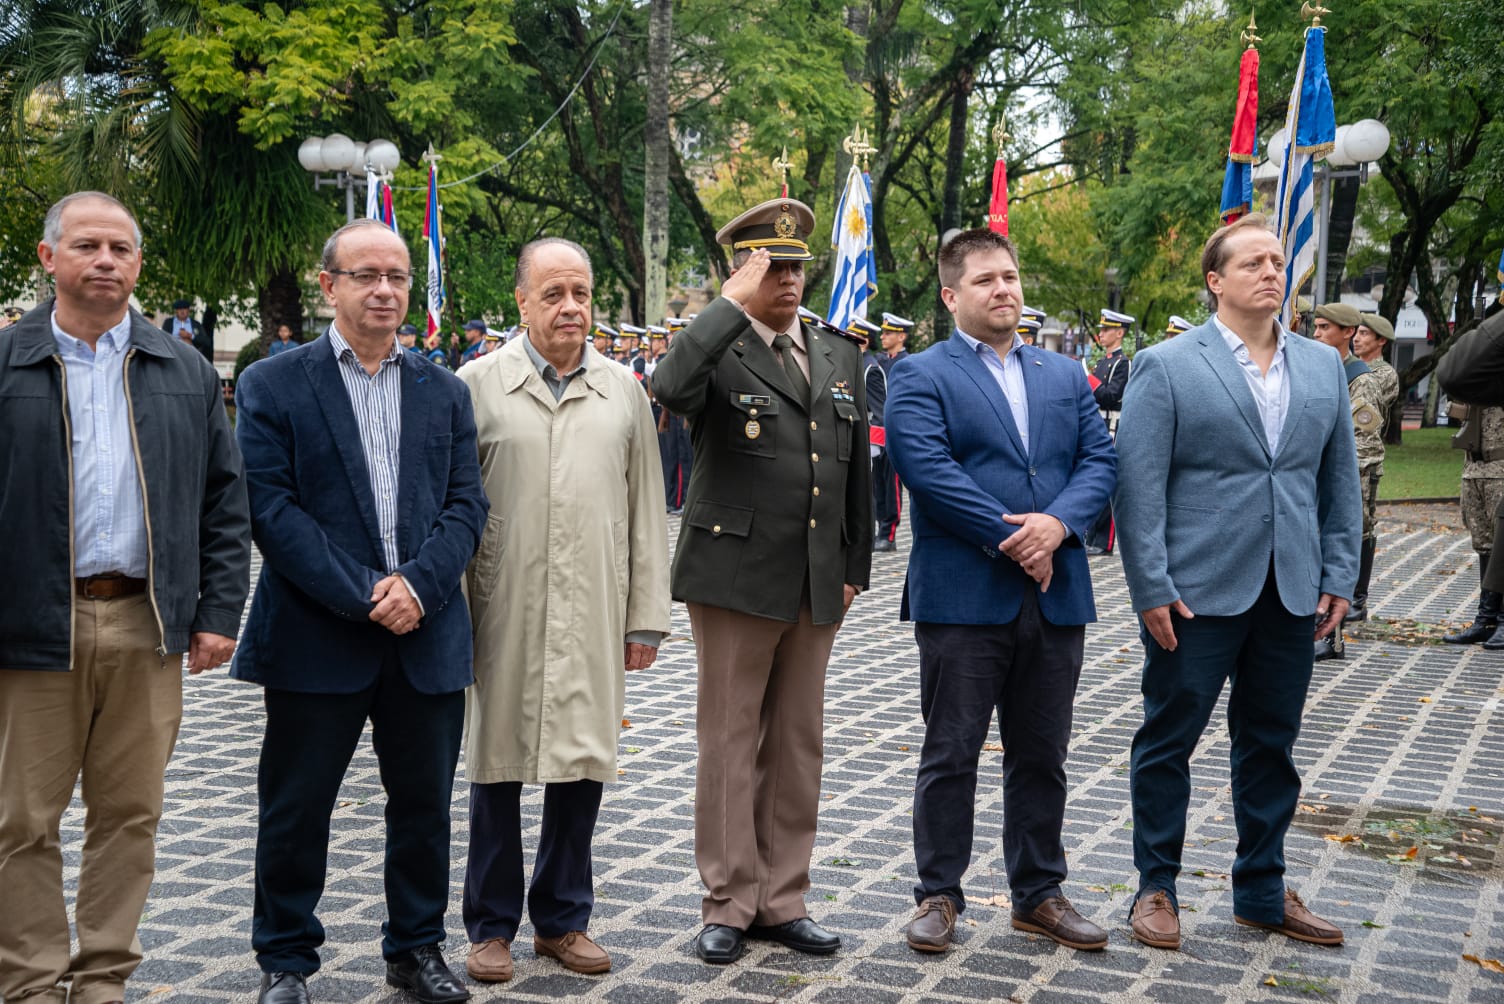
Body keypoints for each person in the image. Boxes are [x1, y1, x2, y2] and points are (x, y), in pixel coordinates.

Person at [0, 191, 251, 1004]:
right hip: (32, 626)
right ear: (49, 258)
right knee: (21, 821)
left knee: (130, 813)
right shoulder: (7, 362)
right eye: (87, 246)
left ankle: (104, 976)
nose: (105, 260)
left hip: (147, 624)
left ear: (139, 263)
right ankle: (30, 982)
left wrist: (216, 614)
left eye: (121, 248)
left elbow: (225, 501)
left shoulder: (183, 369)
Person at [232, 219, 488, 1003]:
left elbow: (466, 506)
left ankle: (416, 948)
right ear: (329, 285)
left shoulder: (445, 390)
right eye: (366, 275)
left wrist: (418, 587)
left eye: (397, 276)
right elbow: (271, 510)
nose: (384, 290)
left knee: (424, 809)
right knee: (296, 807)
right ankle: (285, 960)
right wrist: (367, 595)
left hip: (426, 634)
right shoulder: (273, 383)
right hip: (316, 636)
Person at [1114, 214, 1360, 953]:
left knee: (1271, 744)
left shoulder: (1321, 366)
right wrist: (1151, 586)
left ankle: (1260, 889)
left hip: (1291, 588)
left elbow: (1338, 481)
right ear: (1215, 281)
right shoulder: (1167, 364)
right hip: (1195, 593)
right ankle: (1156, 886)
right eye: (1253, 262)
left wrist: (1339, 572)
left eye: (1277, 261)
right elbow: (1139, 488)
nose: (1271, 272)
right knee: (1169, 739)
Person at [650, 197, 873, 965]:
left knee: (798, 742)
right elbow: (669, 386)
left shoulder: (837, 351)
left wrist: (853, 566)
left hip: (815, 578)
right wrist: (727, 305)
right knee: (731, 737)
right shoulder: (719, 345)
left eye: (796, 265)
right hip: (734, 575)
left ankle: (783, 899)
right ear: (742, 270)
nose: (787, 278)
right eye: (771, 266)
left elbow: (855, 471)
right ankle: (728, 900)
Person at [883, 229, 1116, 955]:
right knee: (951, 751)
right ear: (951, 295)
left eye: (1010, 277)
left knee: (1043, 753)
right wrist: (1017, 539)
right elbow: (927, 469)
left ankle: (1039, 893)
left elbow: (1100, 463)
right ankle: (938, 895)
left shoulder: (1064, 373)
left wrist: (1058, 527)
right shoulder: (921, 373)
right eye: (985, 280)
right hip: (964, 595)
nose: (1003, 290)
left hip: (1055, 596)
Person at [457, 238, 671, 983]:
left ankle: (562, 919)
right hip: (501, 602)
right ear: (521, 302)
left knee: (582, 762)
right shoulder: (476, 385)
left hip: (594, 604)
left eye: (580, 292)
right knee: (495, 762)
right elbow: (452, 511)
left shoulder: (623, 391)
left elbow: (648, 509)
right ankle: (490, 926)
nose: (571, 307)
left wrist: (645, 616)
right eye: (553, 293)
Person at [1310, 302, 1383, 659]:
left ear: (1348, 332)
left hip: (1350, 476)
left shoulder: (1359, 379)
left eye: (1325, 328)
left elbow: (1364, 440)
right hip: (1316, 476)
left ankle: (1334, 636)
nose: (1317, 334)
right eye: (1316, 327)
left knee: (1340, 546)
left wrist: (1336, 479)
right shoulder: (1320, 369)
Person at [1438, 305, 1504, 648]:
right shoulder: (1479, 376)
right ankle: (1486, 617)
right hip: (1475, 465)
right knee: (1484, 544)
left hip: (1500, 465)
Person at [1348, 312, 1400, 621]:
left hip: (1363, 459)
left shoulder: (1382, 374)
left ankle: (1358, 598)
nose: (1357, 338)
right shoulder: (1352, 368)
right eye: (1356, 332)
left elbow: (1362, 412)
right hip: (1348, 456)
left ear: (1381, 340)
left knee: (1362, 524)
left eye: (1365, 334)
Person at [1083, 309, 1132, 554]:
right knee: (1093, 478)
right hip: (1098, 424)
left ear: (1119, 333)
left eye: (1106, 329)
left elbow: (1111, 396)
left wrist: (1088, 378)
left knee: (1108, 482)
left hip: (1112, 427)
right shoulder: (1104, 362)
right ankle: (1092, 536)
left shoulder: (1122, 363)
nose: (1100, 334)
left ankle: (1104, 542)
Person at [162, 297, 214, 364]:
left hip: (191, 357)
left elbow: (206, 341)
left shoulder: (195, 324)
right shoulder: (168, 323)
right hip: (173, 356)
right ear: (176, 311)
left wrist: (190, 336)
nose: (182, 311)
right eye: (179, 309)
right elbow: (163, 338)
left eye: (184, 309)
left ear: (188, 310)